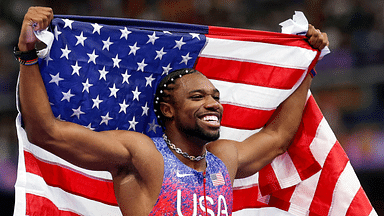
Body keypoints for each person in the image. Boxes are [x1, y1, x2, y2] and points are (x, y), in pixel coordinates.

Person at [16, 6, 328, 216]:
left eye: (215, 96)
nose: (213, 104)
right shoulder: (143, 153)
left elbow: (277, 137)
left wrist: (306, 67)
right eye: (197, 96)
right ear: (168, 109)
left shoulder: (224, 159)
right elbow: (46, 132)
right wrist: (29, 54)